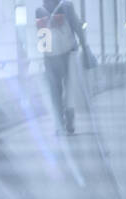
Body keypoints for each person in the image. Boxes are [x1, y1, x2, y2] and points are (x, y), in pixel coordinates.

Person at [35, 1, 91, 134]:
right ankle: (70, 120)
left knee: (55, 91)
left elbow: (41, 35)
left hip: (50, 56)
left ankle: (59, 123)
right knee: (69, 87)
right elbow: (77, 27)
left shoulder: (39, 10)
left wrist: (46, 54)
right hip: (68, 53)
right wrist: (84, 46)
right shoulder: (67, 6)